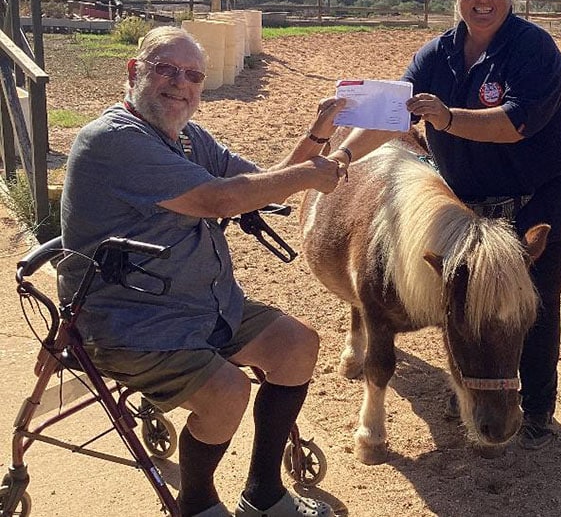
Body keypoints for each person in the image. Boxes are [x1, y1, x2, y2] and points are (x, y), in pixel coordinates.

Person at [58, 26, 352, 517]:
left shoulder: (189, 137)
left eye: (192, 75)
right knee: (226, 390)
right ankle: (196, 504)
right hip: (132, 321)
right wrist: (309, 176)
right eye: (165, 70)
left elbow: (261, 185)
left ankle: (263, 492)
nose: (180, 84)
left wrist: (318, 134)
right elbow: (217, 200)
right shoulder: (112, 140)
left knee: (298, 345)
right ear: (134, 73)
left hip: (201, 302)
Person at [331, 0, 561, 451]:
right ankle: (471, 387)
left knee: (528, 301)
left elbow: (515, 124)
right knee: (465, 299)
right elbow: (391, 116)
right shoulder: (436, 52)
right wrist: (341, 160)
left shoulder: (534, 49)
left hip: (539, 195)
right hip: (470, 199)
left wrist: (446, 117)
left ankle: (534, 408)